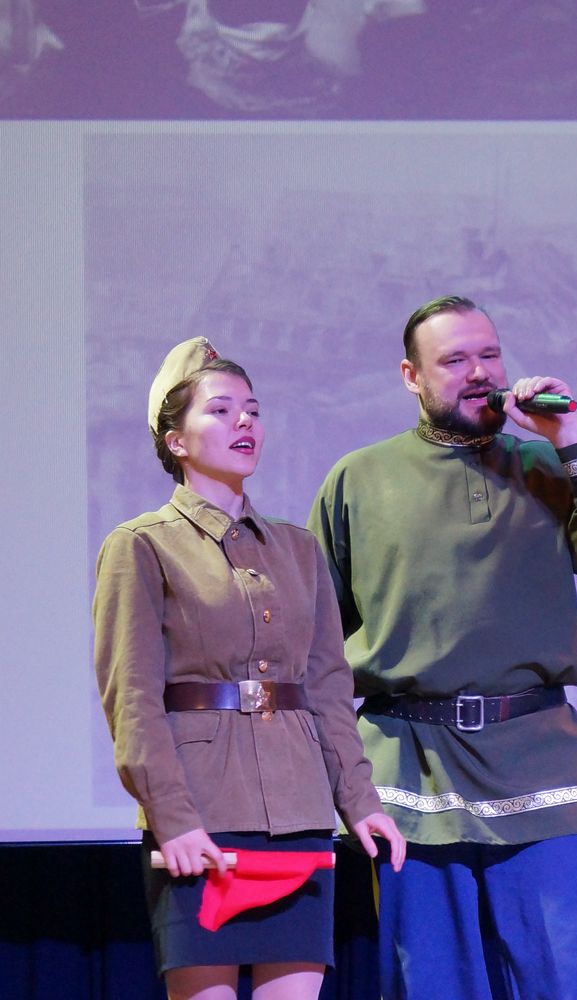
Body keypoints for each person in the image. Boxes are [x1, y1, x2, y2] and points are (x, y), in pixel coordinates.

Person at [307, 295, 577, 1000]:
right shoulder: (358, 478)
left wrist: (572, 435)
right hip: (411, 767)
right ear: (411, 376)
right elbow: (316, 645)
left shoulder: (547, 463)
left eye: (490, 354)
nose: (479, 372)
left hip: (539, 758)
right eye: (455, 359)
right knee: (434, 982)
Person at [93, 336, 405, 1000]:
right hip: (202, 814)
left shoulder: (298, 549)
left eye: (253, 411)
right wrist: (171, 816)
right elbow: (132, 700)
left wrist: (360, 801)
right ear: (175, 441)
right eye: (220, 410)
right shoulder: (141, 546)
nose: (245, 422)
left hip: (299, 812)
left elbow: (327, 689)